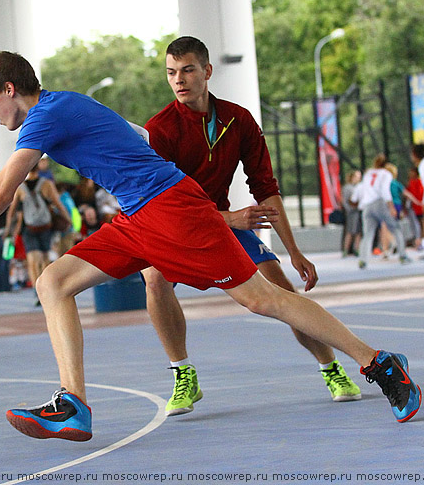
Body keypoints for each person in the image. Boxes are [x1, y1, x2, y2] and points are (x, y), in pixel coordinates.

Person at [0, 51, 421, 442]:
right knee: (52, 281)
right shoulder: (67, 105)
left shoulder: (45, 115)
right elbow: (139, 134)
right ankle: (73, 406)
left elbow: (0, 192)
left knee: (263, 300)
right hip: (137, 215)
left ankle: (379, 362)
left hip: (172, 209)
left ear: (10, 89)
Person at [143, 36, 358, 415]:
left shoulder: (238, 120)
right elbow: (169, 206)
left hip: (224, 225)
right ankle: (183, 375)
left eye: (188, 70)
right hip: (175, 225)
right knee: (154, 276)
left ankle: (332, 369)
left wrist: (294, 251)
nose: (179, 79)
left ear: (207, 72)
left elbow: (266, 189)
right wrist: (232, 218)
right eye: (171, 72)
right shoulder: (160, 130)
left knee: (284, 292)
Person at [4, 163, 70, 304]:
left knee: (33, 260)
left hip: (29, 228)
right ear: (38, 169)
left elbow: (12, 211)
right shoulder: (46, 184)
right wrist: (68, 219)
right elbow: (58, 204)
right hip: (46, 227)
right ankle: (47, 289)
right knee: (45, 258)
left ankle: (37, 291)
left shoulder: (20, 188)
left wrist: (8, 229)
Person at [351, 154, 411, 269]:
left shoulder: (368, 173)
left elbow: (363, 188)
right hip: (379, 203)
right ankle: (403, 255)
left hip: (367, 205)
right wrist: (391, 206)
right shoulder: (385, 174)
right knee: (395, 228)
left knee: (367, 234)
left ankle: (363, 260)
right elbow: (384, 191)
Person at [341, 170, 363, 257]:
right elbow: (345, 201)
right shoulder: (348, 188)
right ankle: (346, 250)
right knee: (350, 231)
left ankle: (356, 249)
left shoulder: (358, 186)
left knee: (358, 232)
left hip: (358, 211)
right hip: (352, 212)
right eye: (357, 176)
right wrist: (349, 209)